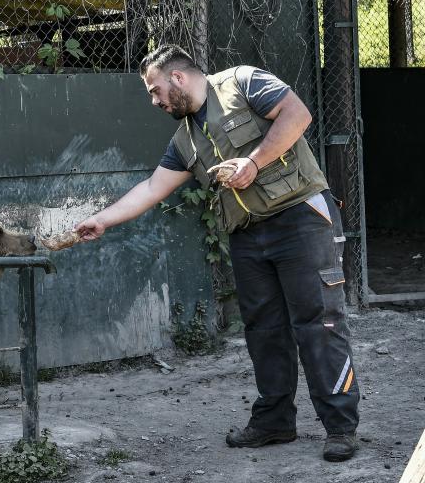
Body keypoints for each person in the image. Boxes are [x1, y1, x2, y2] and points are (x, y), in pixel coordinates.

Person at [75, 44, 359, 462]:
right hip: (247, 233)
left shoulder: (243, 82)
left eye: (155, 90)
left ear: (176, 77)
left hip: (300, 216)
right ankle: (275, 421)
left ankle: (340, 427)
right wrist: (102, 220)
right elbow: (152, 188)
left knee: (319, 323)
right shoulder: (185, 139)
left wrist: (253, 163)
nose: (154, 101)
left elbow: (298, 114)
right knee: (263, 329)